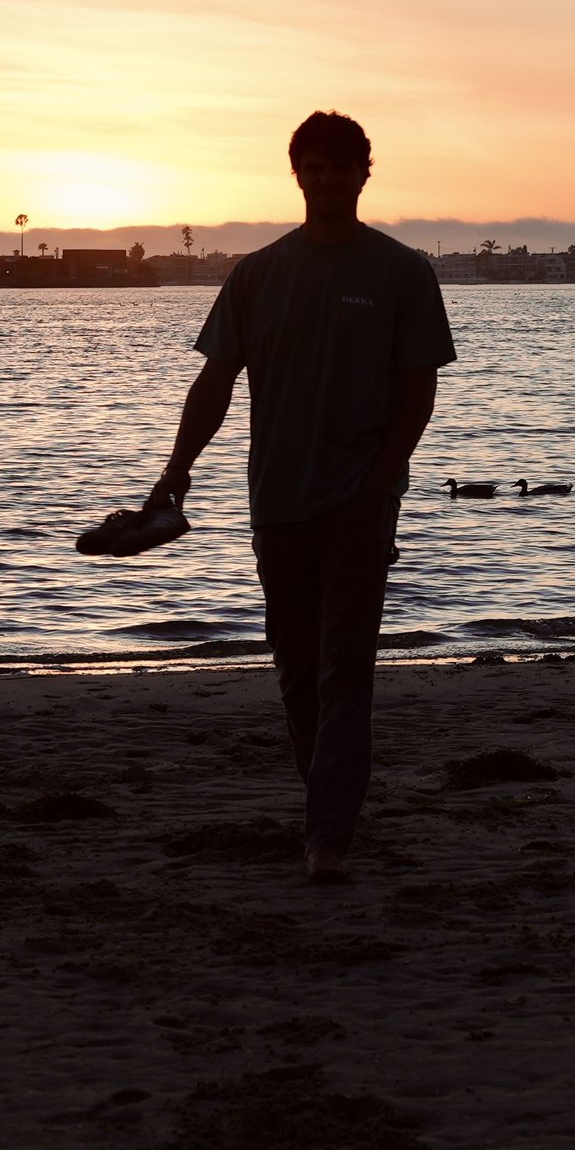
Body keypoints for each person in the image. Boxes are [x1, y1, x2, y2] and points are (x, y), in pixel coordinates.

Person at [146, 111, 456, 881]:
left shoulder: (400, 271)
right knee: (295, 667)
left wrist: (379, 487)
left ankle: (327, 839)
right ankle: (328, 798)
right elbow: (214, 382)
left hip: (359, 502)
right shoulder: (258, 274)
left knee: (344, 667)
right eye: (310, 168)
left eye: (337, 167)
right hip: (276, 503)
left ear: (363, 174)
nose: (324, 180)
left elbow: (419, 395)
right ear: (297, 176)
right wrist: (174, 472)